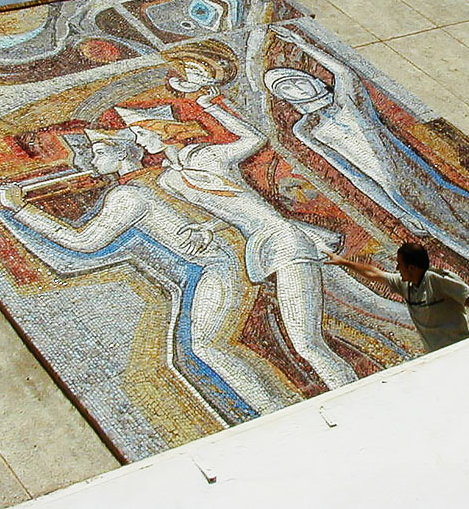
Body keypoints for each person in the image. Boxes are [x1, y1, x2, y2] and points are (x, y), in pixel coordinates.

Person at [264, 24, 469, 309]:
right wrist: (400, 212)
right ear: (285, 99)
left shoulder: (349, 102)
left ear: (314, 79)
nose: (296, 87)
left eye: (297, 79)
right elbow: (356, 176)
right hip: (404, 194)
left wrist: (304, 44)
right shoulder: (307, 129)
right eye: (285, 88)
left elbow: (345, 72)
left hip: (434, 183)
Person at [0, 124, 283, 419]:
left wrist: (21, 209)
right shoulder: (159, 176)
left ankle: (274, 411)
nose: (92, 161)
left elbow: (84, 242)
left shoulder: (128, 197)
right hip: (237, 252)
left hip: (221, 265)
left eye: (99, 152)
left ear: (122, 153)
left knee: (207, 345)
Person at [117, 97, 358, 391]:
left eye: (142, 133)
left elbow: (255, 139)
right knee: (338, 321)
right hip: (257, 248)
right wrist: (208, 227)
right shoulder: (169, 180)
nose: (138, 142)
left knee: (307, 343)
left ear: (165, 129)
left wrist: (211, 104)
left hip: (283, 238)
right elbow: (229, 210)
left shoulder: (207, 157)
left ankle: (355, 397)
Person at [325, 243, 469, 353]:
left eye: (399, 264)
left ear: (412, 267)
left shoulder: (439, 280)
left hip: (461, 350)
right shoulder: (404, 284)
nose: (396, 269)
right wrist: (343, 261)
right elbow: (374, 273)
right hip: (436, 355)